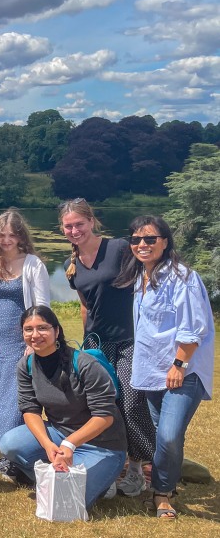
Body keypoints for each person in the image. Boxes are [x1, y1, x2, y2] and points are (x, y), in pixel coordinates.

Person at [113, 215, 215, 519]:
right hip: (152, 370)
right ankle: (166, 484)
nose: (142, 245)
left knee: (169, 436)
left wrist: (179, 364)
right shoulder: (141, 277)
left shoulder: (183, 277)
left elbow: (193, 328)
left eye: (150, 239)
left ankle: (161, 493)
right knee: (164, 435)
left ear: (165, 242)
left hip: (182, 372)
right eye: (136, 240)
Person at [60, 198, 154, 496]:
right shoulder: (69, 266)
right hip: (96, 345)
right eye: (68, 226)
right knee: (100, 406)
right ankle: (112, 463)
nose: (74, 230)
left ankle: (138, 468)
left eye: (79, 224)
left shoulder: (118, 248)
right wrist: (87, 345)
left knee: (131, 402)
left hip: (129, 340)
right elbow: (85, 306)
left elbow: (147, 280)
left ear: (91, 221)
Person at [0, 306, 127, 511]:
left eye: (42, 328)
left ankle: (104, 478)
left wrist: (70, 444)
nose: (35, 335)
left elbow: (105, 416)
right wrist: (48, 444)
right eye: (28, 329)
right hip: (60, 435)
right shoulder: (26, 365)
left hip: (102, 444)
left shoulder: (84, 364)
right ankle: (58, 470)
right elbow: (30, 409)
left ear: (56, 331)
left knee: (67, 502)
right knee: (10, 443)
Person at [0, 210, 50, 476]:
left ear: (21, 236)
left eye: (12, 235)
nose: (6, 240)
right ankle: (5, 450)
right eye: (1, 235)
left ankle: (16, 458)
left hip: (22, 343)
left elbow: (41, 307)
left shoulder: (33, 264)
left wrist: (33, 342)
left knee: (17, 400)